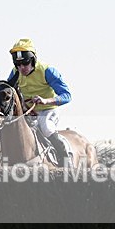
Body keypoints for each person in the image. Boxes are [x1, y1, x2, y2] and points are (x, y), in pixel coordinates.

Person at [7, 38, 73, 167]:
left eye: (25, 64)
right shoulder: (15, 73)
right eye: (18, 65)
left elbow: (66, 96)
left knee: (46, 127)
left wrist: (45, 100)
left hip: (49, 110)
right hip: (28, 112)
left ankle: (66, 160)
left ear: (33, 60)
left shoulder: (47, 71)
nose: (22, 68)